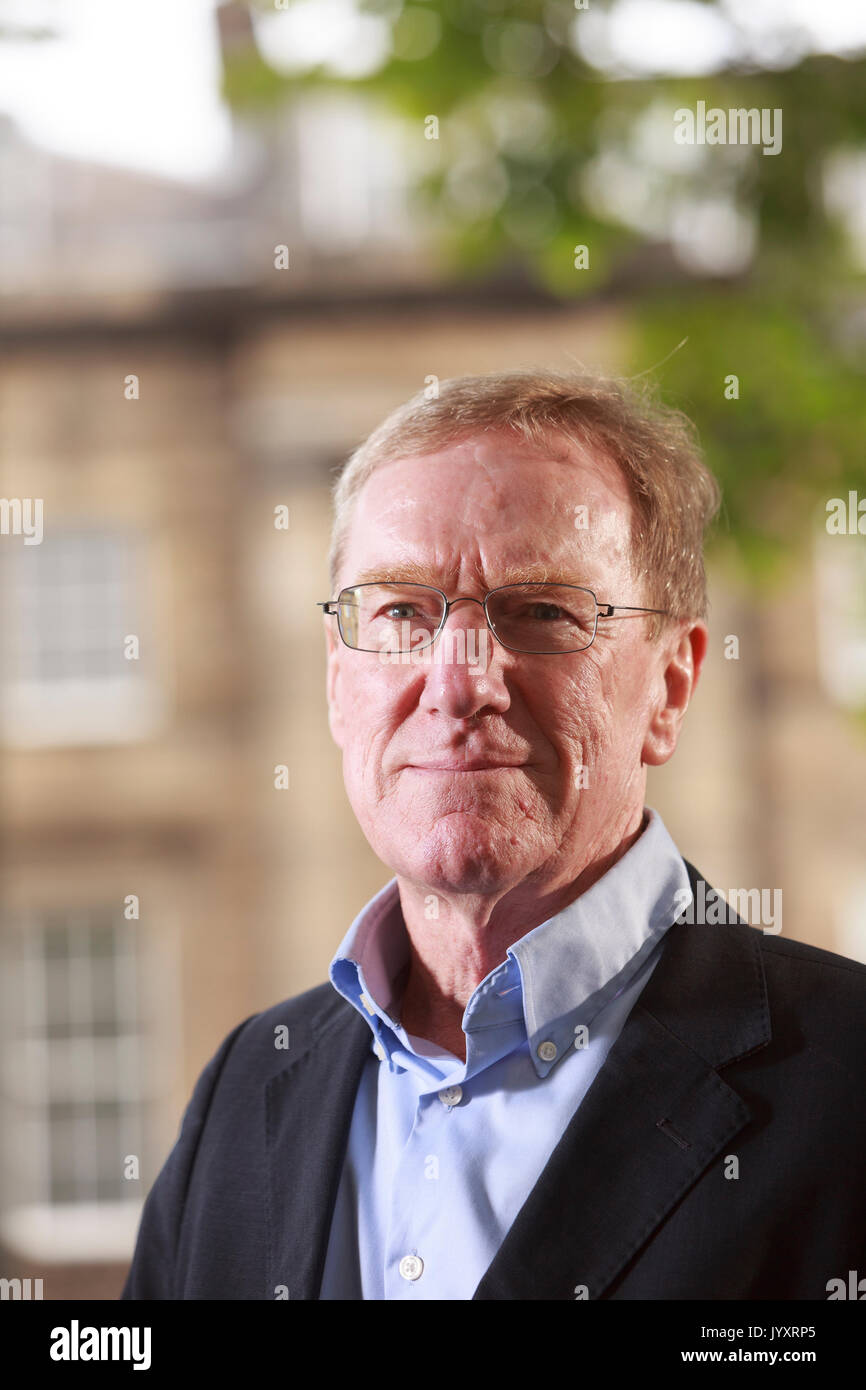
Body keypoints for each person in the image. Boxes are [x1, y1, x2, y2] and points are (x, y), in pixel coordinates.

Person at [121, 369, 866, 1300]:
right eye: (398, 613)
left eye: (542, 613)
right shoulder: (243, 1092)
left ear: (670, 687)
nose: (461, 680)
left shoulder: (846, 1080)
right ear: (335, 680)